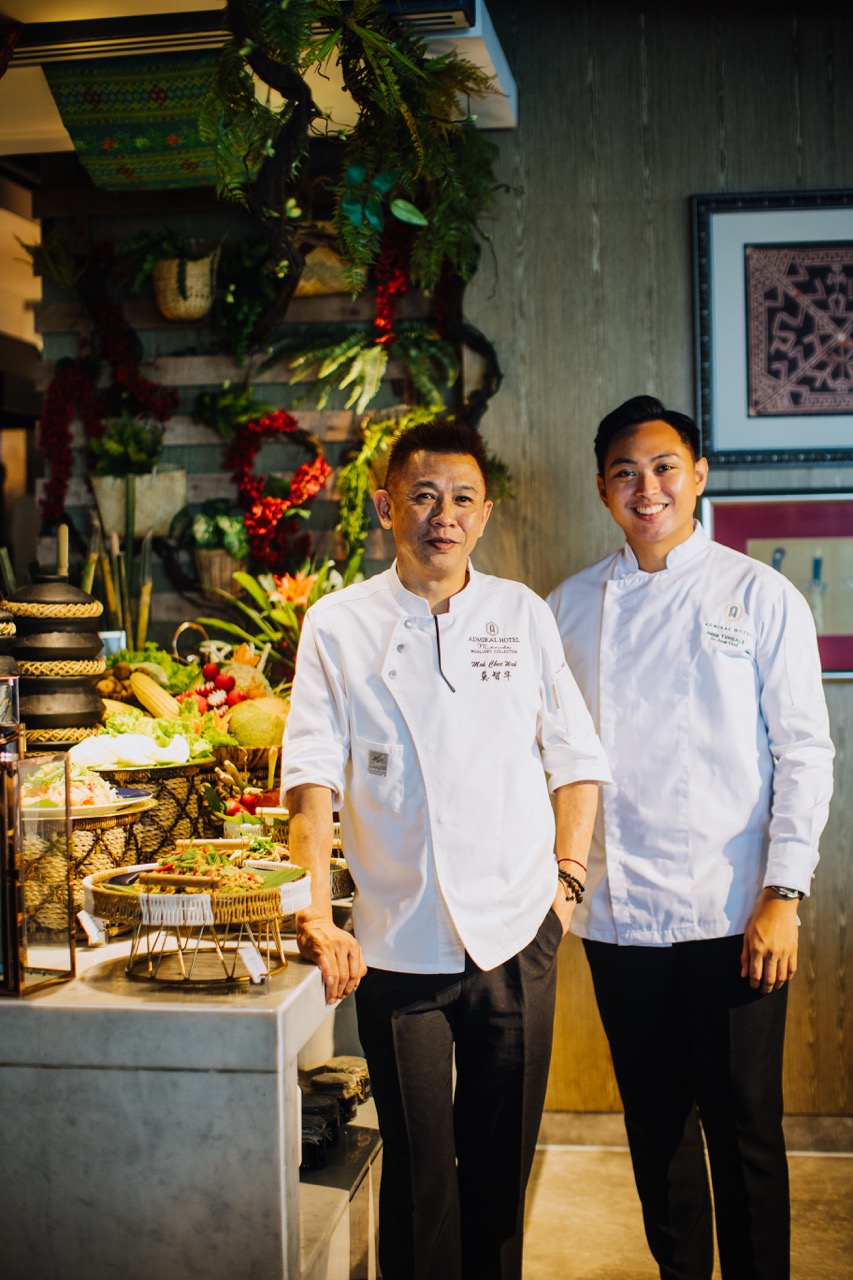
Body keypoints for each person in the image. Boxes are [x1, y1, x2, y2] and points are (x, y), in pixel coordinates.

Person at [281, 418, 611, 1280]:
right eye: (423, 496)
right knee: (419, 1174)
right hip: (397, 945)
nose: (443, 515)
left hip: (516, 935)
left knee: (500, 1172)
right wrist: (315, 915)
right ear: (386, 506)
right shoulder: (338, 623)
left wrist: (564, 889)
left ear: (485, 513)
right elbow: (309, 782)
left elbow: (575, 760)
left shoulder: (519, 612)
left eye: (462, 498)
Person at [547, 395, 835, 1280]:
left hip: (733, 910)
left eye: (664, 467)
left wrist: (782, 896)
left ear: (698, 475)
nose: (647, 488)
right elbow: (547, 758)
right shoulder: (566, 607)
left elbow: (804, 752)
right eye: (625, 473)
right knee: (655, 1127)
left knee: (744, 1128)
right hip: (617, 914)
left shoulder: (758, 594)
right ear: (602, 489)